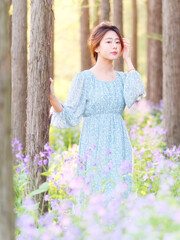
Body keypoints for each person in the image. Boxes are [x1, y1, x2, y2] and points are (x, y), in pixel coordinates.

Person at [49, 22, 146, 210]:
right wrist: (52, 97)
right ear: (97, 46)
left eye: (117, 42)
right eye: (108, 42)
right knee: (93, 193)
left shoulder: (124, 79)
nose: (114, 46)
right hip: (93, 145)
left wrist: (128, 60)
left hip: (119, 145)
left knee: (118, 196)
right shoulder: (83, 78)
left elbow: (136, 94)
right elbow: (71, 115)